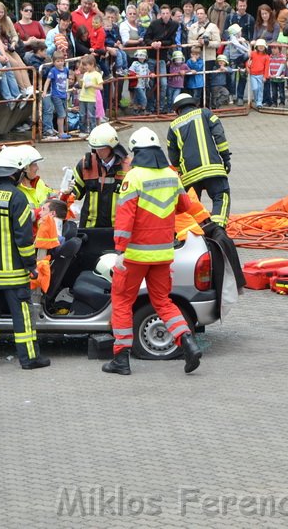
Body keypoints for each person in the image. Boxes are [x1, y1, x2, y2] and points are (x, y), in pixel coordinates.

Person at [102, 127, 205, 376]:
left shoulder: (134, 177)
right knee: (162, 302)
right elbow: (185, 205)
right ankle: (188, 342)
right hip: (163, 254)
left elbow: (125, 218)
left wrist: (119, 250)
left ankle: (121, 358)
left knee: (123, 301)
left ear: (136, 152)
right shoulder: (171, 176)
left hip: (136, 255)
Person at [0, 146, 51, 370]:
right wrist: (31, 266)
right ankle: (29, 359)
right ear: (18, 173)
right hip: (13, 275)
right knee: (22, 318)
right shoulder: (17, 198)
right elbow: (23, 240)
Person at [168, 92, 232, 227]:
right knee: (221, 196)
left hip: (190, 175)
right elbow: (219, 135)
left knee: (191, 205)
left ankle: (199, 233)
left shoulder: (173, 126)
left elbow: (173, 156)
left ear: (177, 110)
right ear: (193, 103)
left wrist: (180, 171)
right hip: (212, 169)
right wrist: (225, 158)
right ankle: (218, 229)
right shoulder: (206, 113)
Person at [70, 123, 128, 228]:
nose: (98, 152)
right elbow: (75, 192)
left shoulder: (128, 167)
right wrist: (67, 192)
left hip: (117, 229)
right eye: (95, 148)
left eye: (102, 148)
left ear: (112, 147)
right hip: (89, 228)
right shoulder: (85, 164)